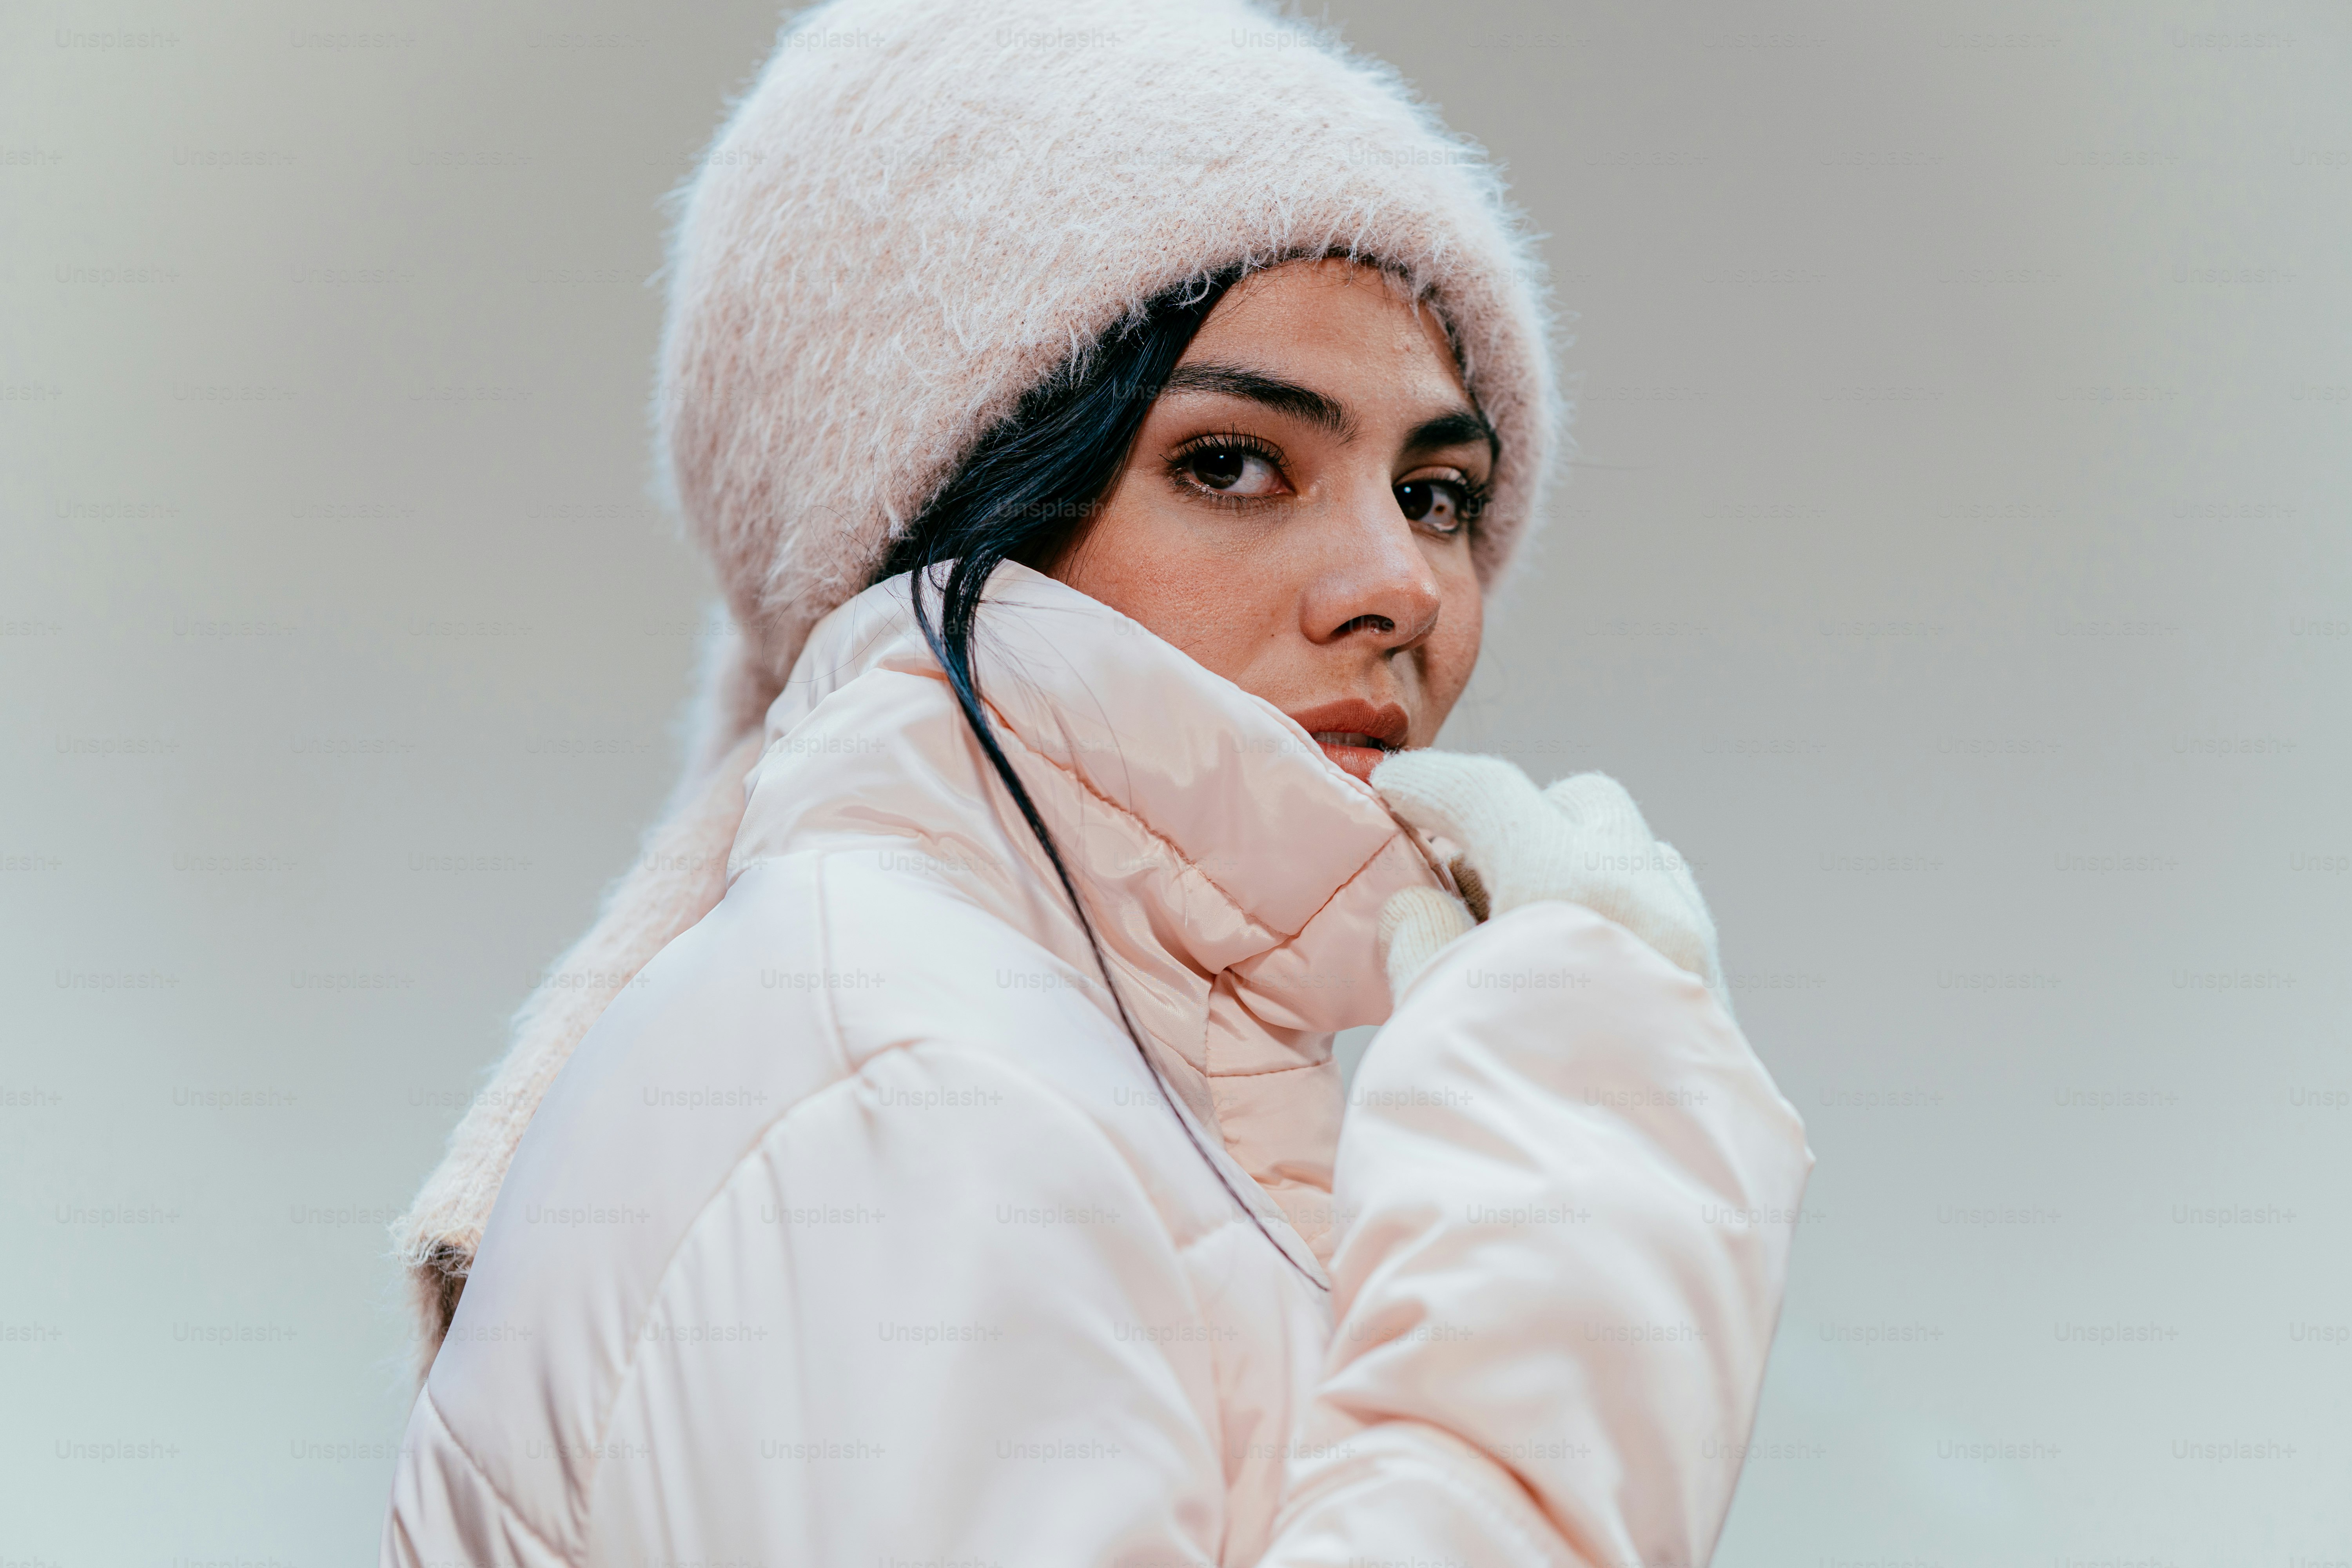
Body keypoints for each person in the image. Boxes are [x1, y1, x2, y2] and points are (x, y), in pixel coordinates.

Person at [384, 2, 1812, 1563]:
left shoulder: (1012, 1058)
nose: (1398, 580)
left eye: (1438, 492)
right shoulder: (921, 1088)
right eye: (1231, 462)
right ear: (958, 511)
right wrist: (1582, 1189)